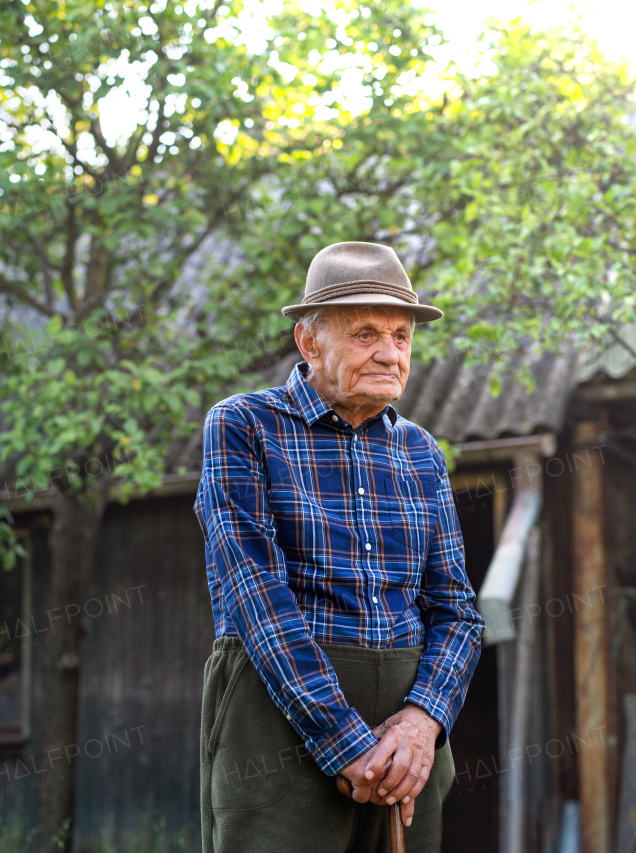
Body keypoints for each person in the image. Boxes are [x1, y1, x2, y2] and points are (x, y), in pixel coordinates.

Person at [194, 241, 484, 853]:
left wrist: (421, 722)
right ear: (309, 342)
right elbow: (256, 596)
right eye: (365, 333)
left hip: (409, 741)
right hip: (276, 720)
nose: (390, 353)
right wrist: (343, 741)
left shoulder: (422, 452)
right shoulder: (243, 426)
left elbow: (457, 611)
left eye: (402, 337)